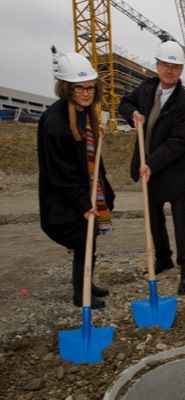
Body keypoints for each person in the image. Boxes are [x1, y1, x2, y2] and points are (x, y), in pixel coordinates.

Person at [118, 41, 185, 295]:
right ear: (157, 65)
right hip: (148, 163)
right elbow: (124, 102)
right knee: (153, 215)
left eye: (175, 66)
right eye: (166, 65)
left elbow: (177, 143)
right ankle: (163, 257)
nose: (170, 70)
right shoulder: (146, 88)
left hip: (173, 168)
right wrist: (132, 113)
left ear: (181, 69)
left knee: (179, 218)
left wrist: (150, 164)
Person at [37, 52, 115, 309]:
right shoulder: (57, 122)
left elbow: (88, 155)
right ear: (66, 88)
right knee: (82, 239)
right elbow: (63, 172)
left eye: (90, 87)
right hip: (65, 196)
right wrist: (83, 204)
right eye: (78, 88)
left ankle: (87, 284)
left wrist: (96, 130)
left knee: (89, 240)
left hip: (82, 190)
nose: (85, 93)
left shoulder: (84, 113)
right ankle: (80, 295)